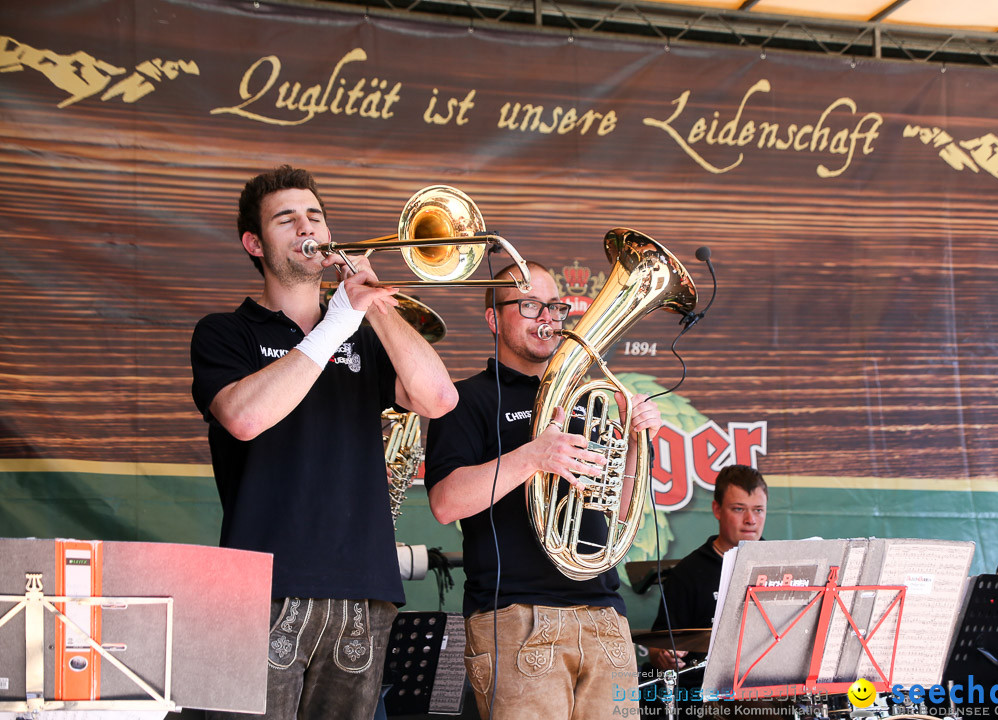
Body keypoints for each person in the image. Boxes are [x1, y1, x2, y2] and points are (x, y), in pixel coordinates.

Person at [190, 165, 457, 720]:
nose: (306, 227)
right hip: (263, 584)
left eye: (314, 216)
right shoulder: (225, 331)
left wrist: (375, 304)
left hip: (364, 583)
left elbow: (437, 399)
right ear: (254, 243)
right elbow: (244, 418)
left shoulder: (361, 329)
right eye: (286, 219)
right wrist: (335, 324)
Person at [423, 260, 664, 720]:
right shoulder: (464, 399)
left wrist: (636, 442)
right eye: (530, 305)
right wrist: (533, 456)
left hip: (605, 617)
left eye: (555, 307)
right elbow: (445, 502)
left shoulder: (584, 400)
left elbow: (613, 514)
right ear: (494, 319)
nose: (549, 318)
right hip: (517, 617)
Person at [641, 464, 768, 716]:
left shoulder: (780, 563)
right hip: (706, 695)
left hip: (769, 687)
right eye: (739, 509)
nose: (750, 520)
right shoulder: (688, 572)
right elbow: (658, 647)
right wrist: (665, 656)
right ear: (717, 510)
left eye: (758, 510)